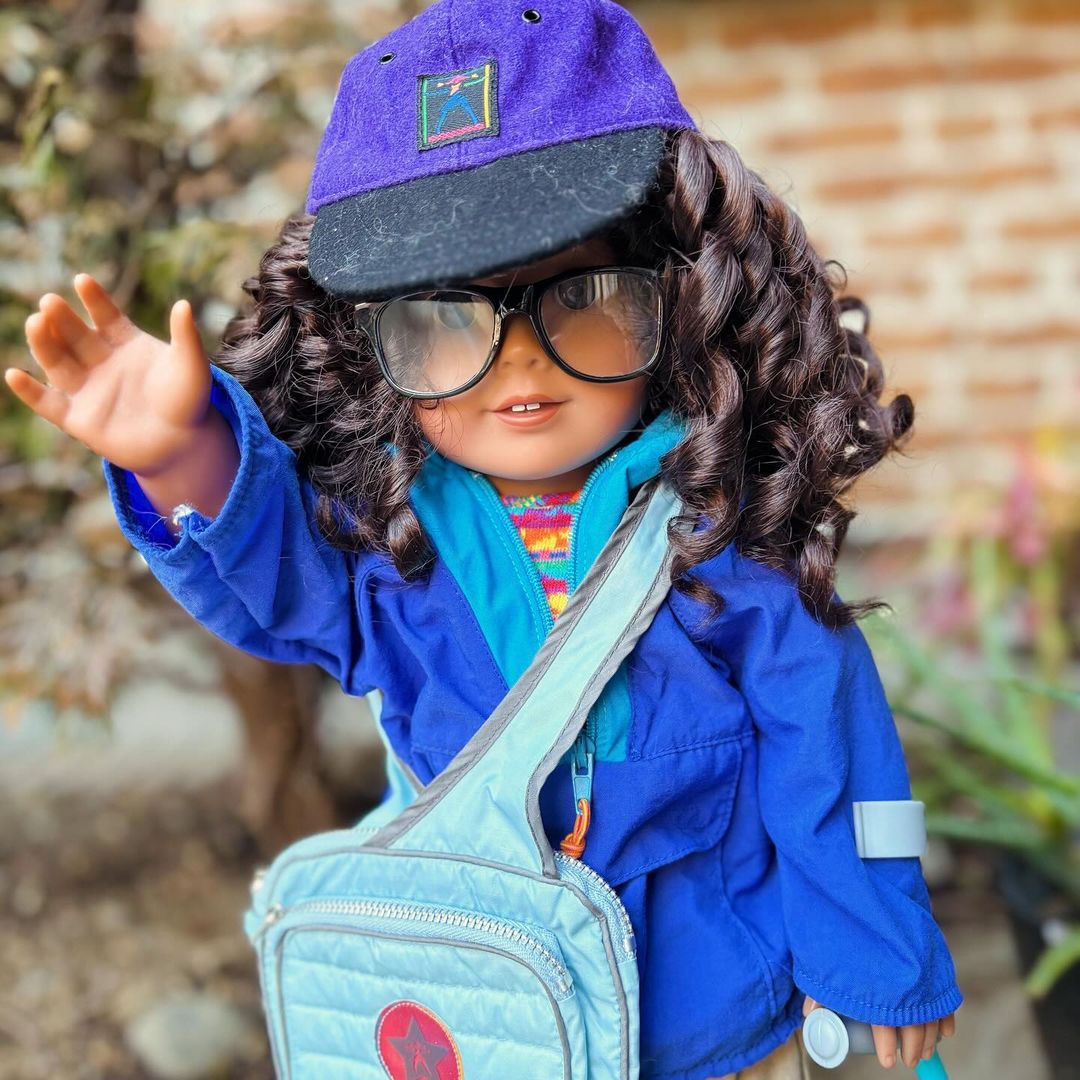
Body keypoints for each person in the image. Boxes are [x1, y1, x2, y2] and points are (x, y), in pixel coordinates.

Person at [4, 1, 962, 1076]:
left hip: (706, 1022)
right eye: (438, 316)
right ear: (362, 347)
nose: (517, 362)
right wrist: (184, 453)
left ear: (682, 292)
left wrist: (872, 959)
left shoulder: (722, 535)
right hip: (486, 1012)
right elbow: (285, 583)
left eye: (584, 295)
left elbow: (826, 752)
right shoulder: (394, 543)